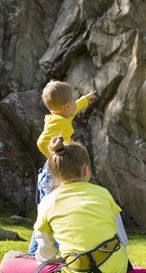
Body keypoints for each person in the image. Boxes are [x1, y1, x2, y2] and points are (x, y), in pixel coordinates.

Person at [0, 138, 146, 273]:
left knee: (8, 264)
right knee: (114, 260)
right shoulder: (103, 193)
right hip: (116, 272)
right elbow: (122, 240)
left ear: (55, 176)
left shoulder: (48, 201)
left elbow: (44, 251)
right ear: (85, 169)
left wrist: (52, 261)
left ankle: (21, 262)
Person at [28, 80, 96, 255]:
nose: (75, 103)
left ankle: (38, 253)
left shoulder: (63, 116)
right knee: (51, 215)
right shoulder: (58, 122)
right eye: (73, 101)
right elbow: (41, 142)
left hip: (52, 173)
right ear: (66, 106)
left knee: (48, 215)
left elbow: (74, 108)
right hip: (52, 175)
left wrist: (85, 100)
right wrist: (53, 156)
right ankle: (37, 254)